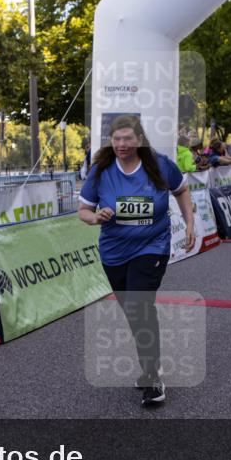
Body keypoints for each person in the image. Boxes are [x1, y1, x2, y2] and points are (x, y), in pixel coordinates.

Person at [78, 115, 195, 407]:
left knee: (139, 306)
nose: (121, 144)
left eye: (127, 138)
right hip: (114, 252)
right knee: (133, 314)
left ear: (139, 140)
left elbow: (181, 190)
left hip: (152, 247)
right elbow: (83, 210)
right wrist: (95, 217)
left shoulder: (159, 163)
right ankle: (149, 363)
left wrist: (189, 223)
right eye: (116, 139)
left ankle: (153, 378)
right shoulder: (101, 170)